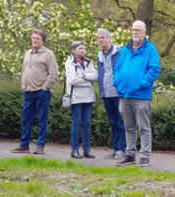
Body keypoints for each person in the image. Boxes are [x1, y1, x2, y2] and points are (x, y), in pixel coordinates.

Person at [114, 20, 161, 167]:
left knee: (144, 128)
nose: (135, 32)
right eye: (133, 29)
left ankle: (145, 156)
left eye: (138, 30)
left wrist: (142, 84)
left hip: (141, 96)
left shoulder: (150, 49)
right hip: (124, 95)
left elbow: (154, 69)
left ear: (144, 33)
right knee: (129, 128)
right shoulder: (125, 50)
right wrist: (118, 82)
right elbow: (117, 68)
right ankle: (130, 155)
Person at [12, 29, 60, 154]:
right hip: (28, 92)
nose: (34, 40)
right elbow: (24, 70)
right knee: (26, 119)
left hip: (42, 92)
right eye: (33, 38)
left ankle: (40, 145)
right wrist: (23, 84)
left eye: (37, 38)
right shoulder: (28, 53)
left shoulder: (48, 54)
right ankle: (24, 144)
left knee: (42, 119)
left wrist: (45, 87)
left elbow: (54, 74)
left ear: (43, 41)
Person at [64, 41, 99, 159]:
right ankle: (74, 150)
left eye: (83, 48)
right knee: (76, 122)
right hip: (76, 98)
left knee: (87, 123)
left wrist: (84, 76)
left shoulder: (89, 62)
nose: (83, 50)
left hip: (88, 97)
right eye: (80, 48)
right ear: (73, 50)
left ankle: (86, 149)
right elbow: (73, 80)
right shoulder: (69, 63)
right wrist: (88, 80)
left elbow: (96, 76)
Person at [96, 28, 127, 160]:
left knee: (121, 122)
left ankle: (122, 148)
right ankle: (115, 148)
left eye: (103, 37)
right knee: (113, 122)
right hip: (106, 93)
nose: (100, 40)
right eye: (98, 38)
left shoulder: (119, 52)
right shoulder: (100, 55)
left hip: (118, 93)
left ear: (109, 38)